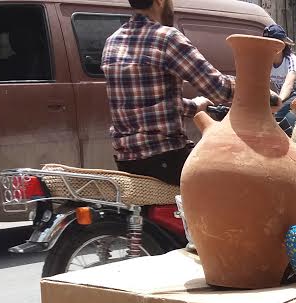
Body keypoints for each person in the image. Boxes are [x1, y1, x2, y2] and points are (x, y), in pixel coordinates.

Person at [101, 0, 236, 185]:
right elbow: (219, 89)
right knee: (231, 180)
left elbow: (144, 105)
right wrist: (257, 89)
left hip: (127, 163)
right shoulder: (166, 38)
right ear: (160, 1)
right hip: (168, 160)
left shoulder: (112, 42)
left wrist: (195, 106)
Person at [264, 23, 296, 131]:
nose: (268, 47)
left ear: (282, 45)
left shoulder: (291, 61)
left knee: (286, 127)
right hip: (285, 105)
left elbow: (288, 84)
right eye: (266, 43)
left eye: (272, 43)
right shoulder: (267, 63)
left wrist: (278, 100)